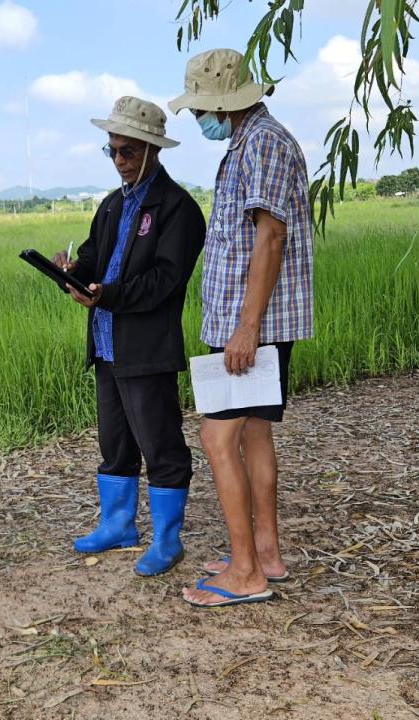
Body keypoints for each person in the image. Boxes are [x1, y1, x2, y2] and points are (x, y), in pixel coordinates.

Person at [167, 49, 314, 606]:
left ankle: (245, 575)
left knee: (216, 436)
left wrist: (246, 329)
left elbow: (270, 238)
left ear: (224, 102)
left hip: (251, 325)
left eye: (200, 107)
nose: (196, 118)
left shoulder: (264, 144)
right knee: (252, 435)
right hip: (243, 322)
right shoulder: (249, 142)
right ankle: (264, 553)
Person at [53, 96, 205, 576]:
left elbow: (165, 280)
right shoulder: (112, 205)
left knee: (160, 444)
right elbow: (95, 259)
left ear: (153, 150)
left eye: (128, 152)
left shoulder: (177, 208)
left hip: (147, 348)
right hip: (105, 342)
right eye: (112, 151)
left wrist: (109, 295)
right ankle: (118, 525)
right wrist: (73, 272)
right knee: (115, 441)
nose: (119, 161)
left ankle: (167, 539)